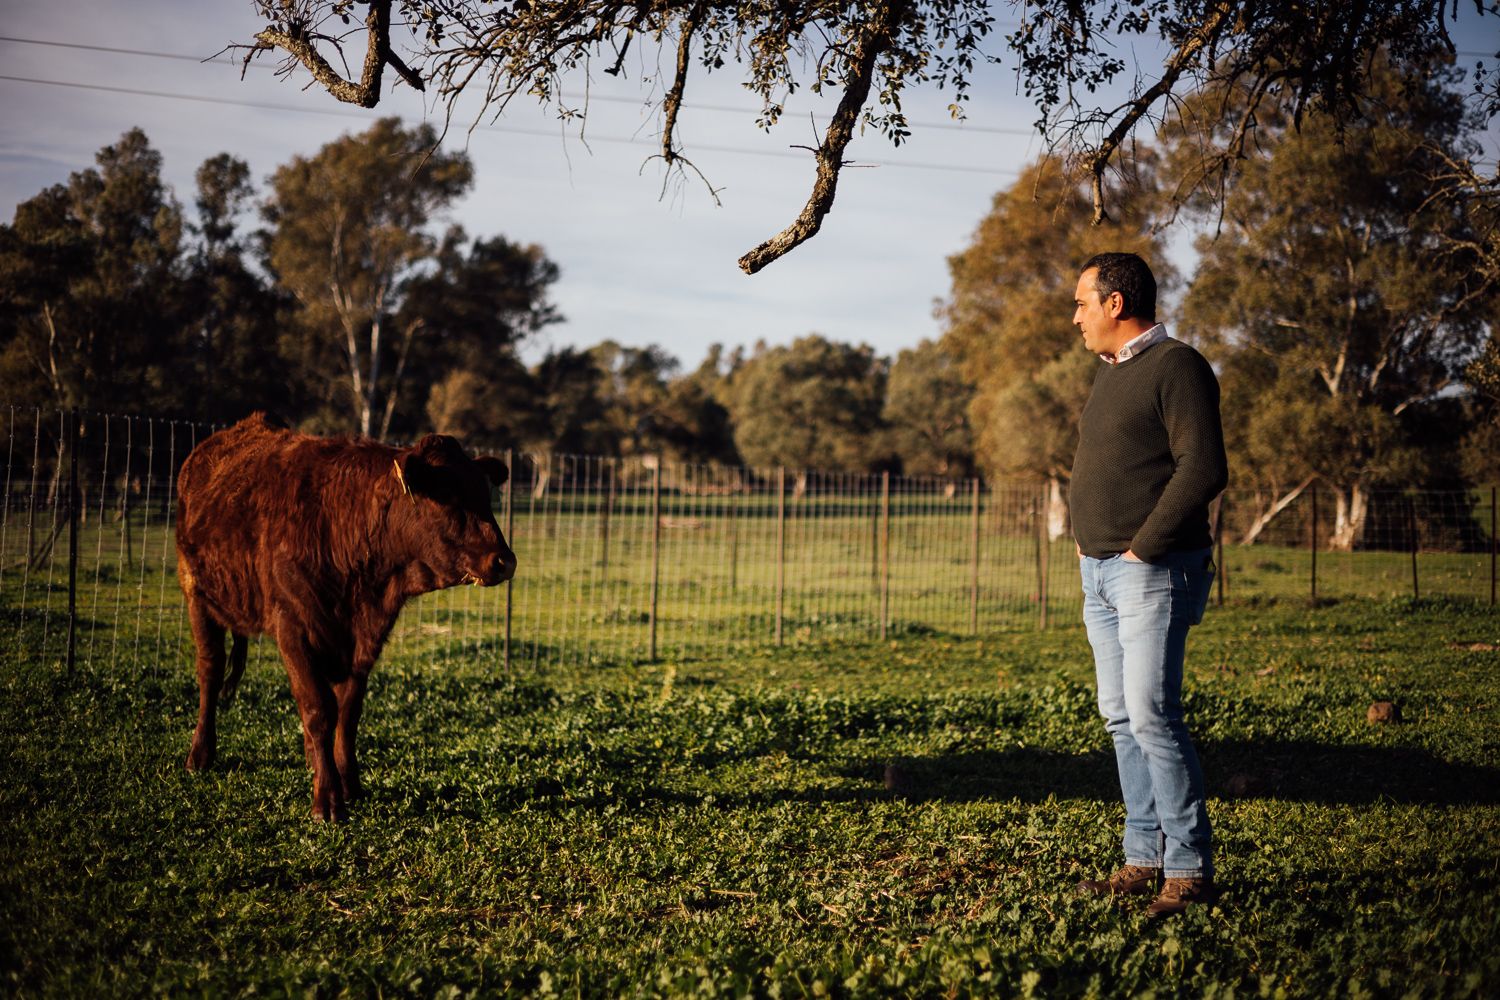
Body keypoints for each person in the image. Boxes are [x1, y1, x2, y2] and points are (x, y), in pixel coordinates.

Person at [1068, 252, 1227, 918]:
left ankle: (1188, 870)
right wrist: (1092, 542)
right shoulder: (1111, 374)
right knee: (1122, 718)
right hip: (1100, 575)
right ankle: (1142, 857)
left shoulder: (1177, 366)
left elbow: (1204, 467)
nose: (1075, 317)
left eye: (1081, 302)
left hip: (1151, 572)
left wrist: (1142, 548)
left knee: (1153, 716)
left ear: (1115, 303)